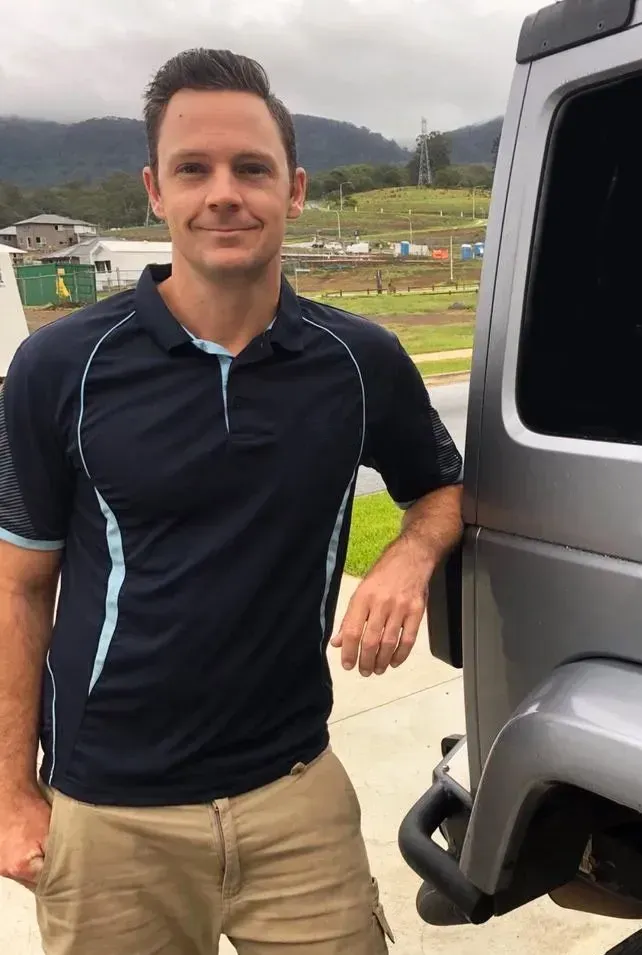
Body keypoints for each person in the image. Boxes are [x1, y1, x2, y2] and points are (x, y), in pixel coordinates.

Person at [0, 48, 464, 955]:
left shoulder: (358, 360)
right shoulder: (60, 368)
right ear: (154, 191)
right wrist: (13, 792)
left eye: (251, 168)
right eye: (194, 169)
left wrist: (408, 557)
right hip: (109, 814)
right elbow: (19, 590)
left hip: (294, 793)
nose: (224, 193)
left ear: (292, 190)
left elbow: (441, 485)